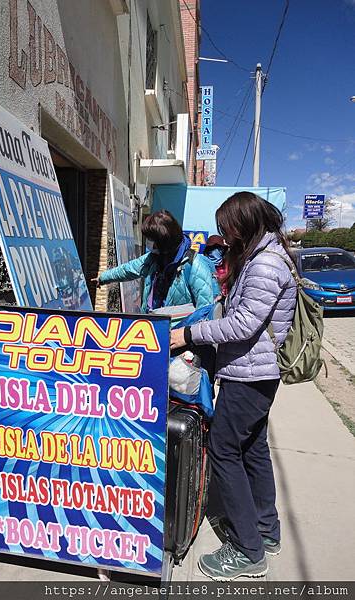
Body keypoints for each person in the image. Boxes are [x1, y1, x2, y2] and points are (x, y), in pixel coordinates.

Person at [170, 192, 297, 581]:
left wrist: (188, 335)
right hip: (254, 374)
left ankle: (247, 550)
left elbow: (243, 324)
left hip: (249, 376)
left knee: (224, 450)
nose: (224, 237)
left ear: (246, 223)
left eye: (228, 229)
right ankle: (264, 530)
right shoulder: (268, 256)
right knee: (253, 451)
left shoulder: (265, 265)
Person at [93, 210, 215, 312]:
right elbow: (129, 269)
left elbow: (205, 310)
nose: (148, 243)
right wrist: (103, 278)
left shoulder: (195, 265)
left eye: (151, 239)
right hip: (152, 328)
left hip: (179, 336)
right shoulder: (154, 258)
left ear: (164, 242)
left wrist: (184, 336)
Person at [203, 235, 229, 300]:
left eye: (219, 248)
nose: (215, 251)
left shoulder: (229, 267)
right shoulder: (202, 266)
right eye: (212, 248)